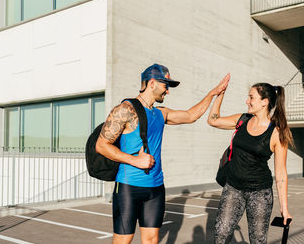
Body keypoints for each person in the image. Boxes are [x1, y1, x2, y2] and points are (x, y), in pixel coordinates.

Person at [96, 63, 230, 244]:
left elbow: (191, 115)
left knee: (151, 240)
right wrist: (135, 160)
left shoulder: (160, 114)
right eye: (165, 85)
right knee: (123, 240)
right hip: (129, 186)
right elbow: (102, 145)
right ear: (152, 83)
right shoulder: (125, 110)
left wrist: (213, 94)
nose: (167, 91)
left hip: (155, 187)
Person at [207, 82, 293, 244]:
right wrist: (220, 94)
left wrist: (284, 208)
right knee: (221, 235)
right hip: (233, 188)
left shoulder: (276, 133)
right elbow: (213, 120)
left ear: (264, 102)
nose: (247, 101)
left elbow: (281, 174)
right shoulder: (242, 120)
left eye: (251, 97)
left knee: (257, 240)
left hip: (260, 193)